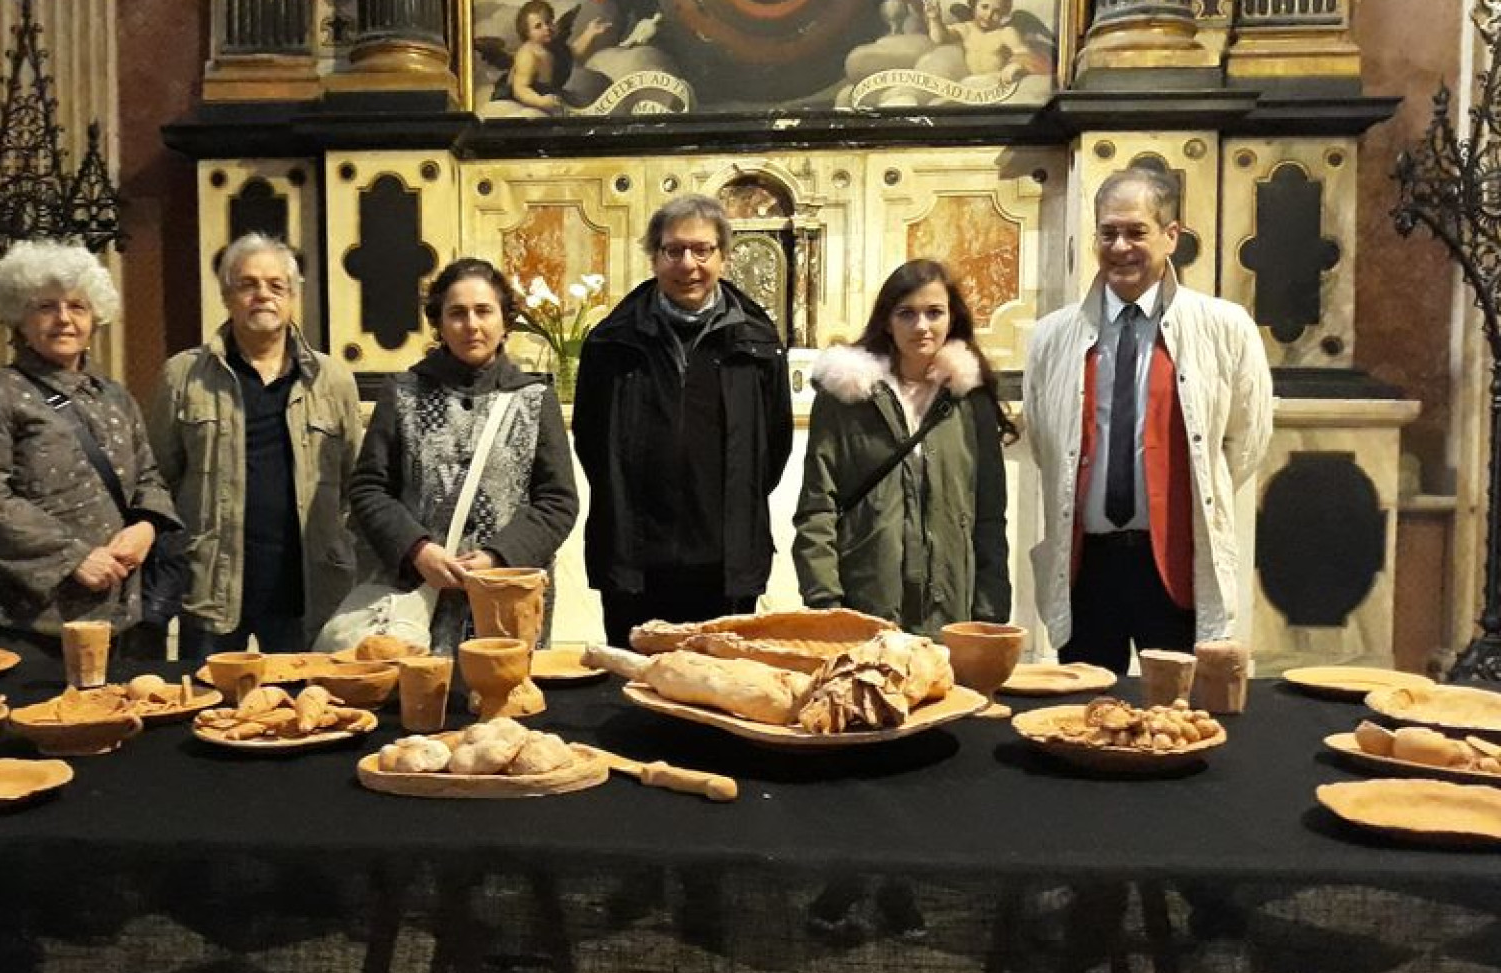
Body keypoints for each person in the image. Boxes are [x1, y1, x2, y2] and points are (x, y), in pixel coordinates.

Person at [1023, 166, 1273, 674]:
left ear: (1171, 236)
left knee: (1177, 718)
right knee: (1083, 714)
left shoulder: (1225, 328)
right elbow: (1048, 443)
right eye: (1108, 233)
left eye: (1136, 232)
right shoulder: (1051, 337)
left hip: (1175, 563)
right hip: (1087, 567)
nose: (1120, 247)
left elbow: (1244, 442)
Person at [574, 194, 793, 647]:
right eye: (673, 250)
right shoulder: (612, 342)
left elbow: (773, 446)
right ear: (654, 257)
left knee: (720, 695)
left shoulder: (758, 341)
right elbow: (592, 442)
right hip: (635, 559)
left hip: (726, 561)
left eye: (702, 250)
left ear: (724, 257)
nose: (687, 263)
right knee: (635, 693)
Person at [0, 240, 179, 660]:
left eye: (78, 307)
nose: (64, 320)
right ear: (20, 318)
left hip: (112, 615)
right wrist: (73, 557)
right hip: (17, 623)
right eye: (47, 307)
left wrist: (146, 526)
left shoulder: (114, 397)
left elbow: (148, 477)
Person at [346, 258, 579, 654]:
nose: (471, 325)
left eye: (484, 311)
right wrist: (416, 550)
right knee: (420, 709)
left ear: (505, 320)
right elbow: (369, 488)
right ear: (439, 322)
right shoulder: (403, 393)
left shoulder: (535, 399)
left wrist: (498, 556)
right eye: (457, 313)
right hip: (415, 595)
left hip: (506, 599)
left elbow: (557, 501)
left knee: (502, 706)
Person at [147, 234, 363, 662]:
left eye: (276, 285)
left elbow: (356, 481)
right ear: (227, 296)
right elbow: (156, 478)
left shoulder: (332, 379)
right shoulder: (184, 376)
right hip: (210, 588)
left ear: (293, 297)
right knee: (207, 709)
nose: (262, 294)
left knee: (310, 714)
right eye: (248, 284)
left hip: (308, 590)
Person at [793, 259, 1017, 635]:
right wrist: (825, 603)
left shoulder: (968, 401)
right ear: (886, 320)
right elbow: (818, 506)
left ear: (952, 318)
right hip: (866, 604)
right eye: (907, 313)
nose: (922, 326)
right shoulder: (845, 397)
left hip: (950, 609)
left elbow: (989, 515)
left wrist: (990, 611)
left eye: (934, 313)